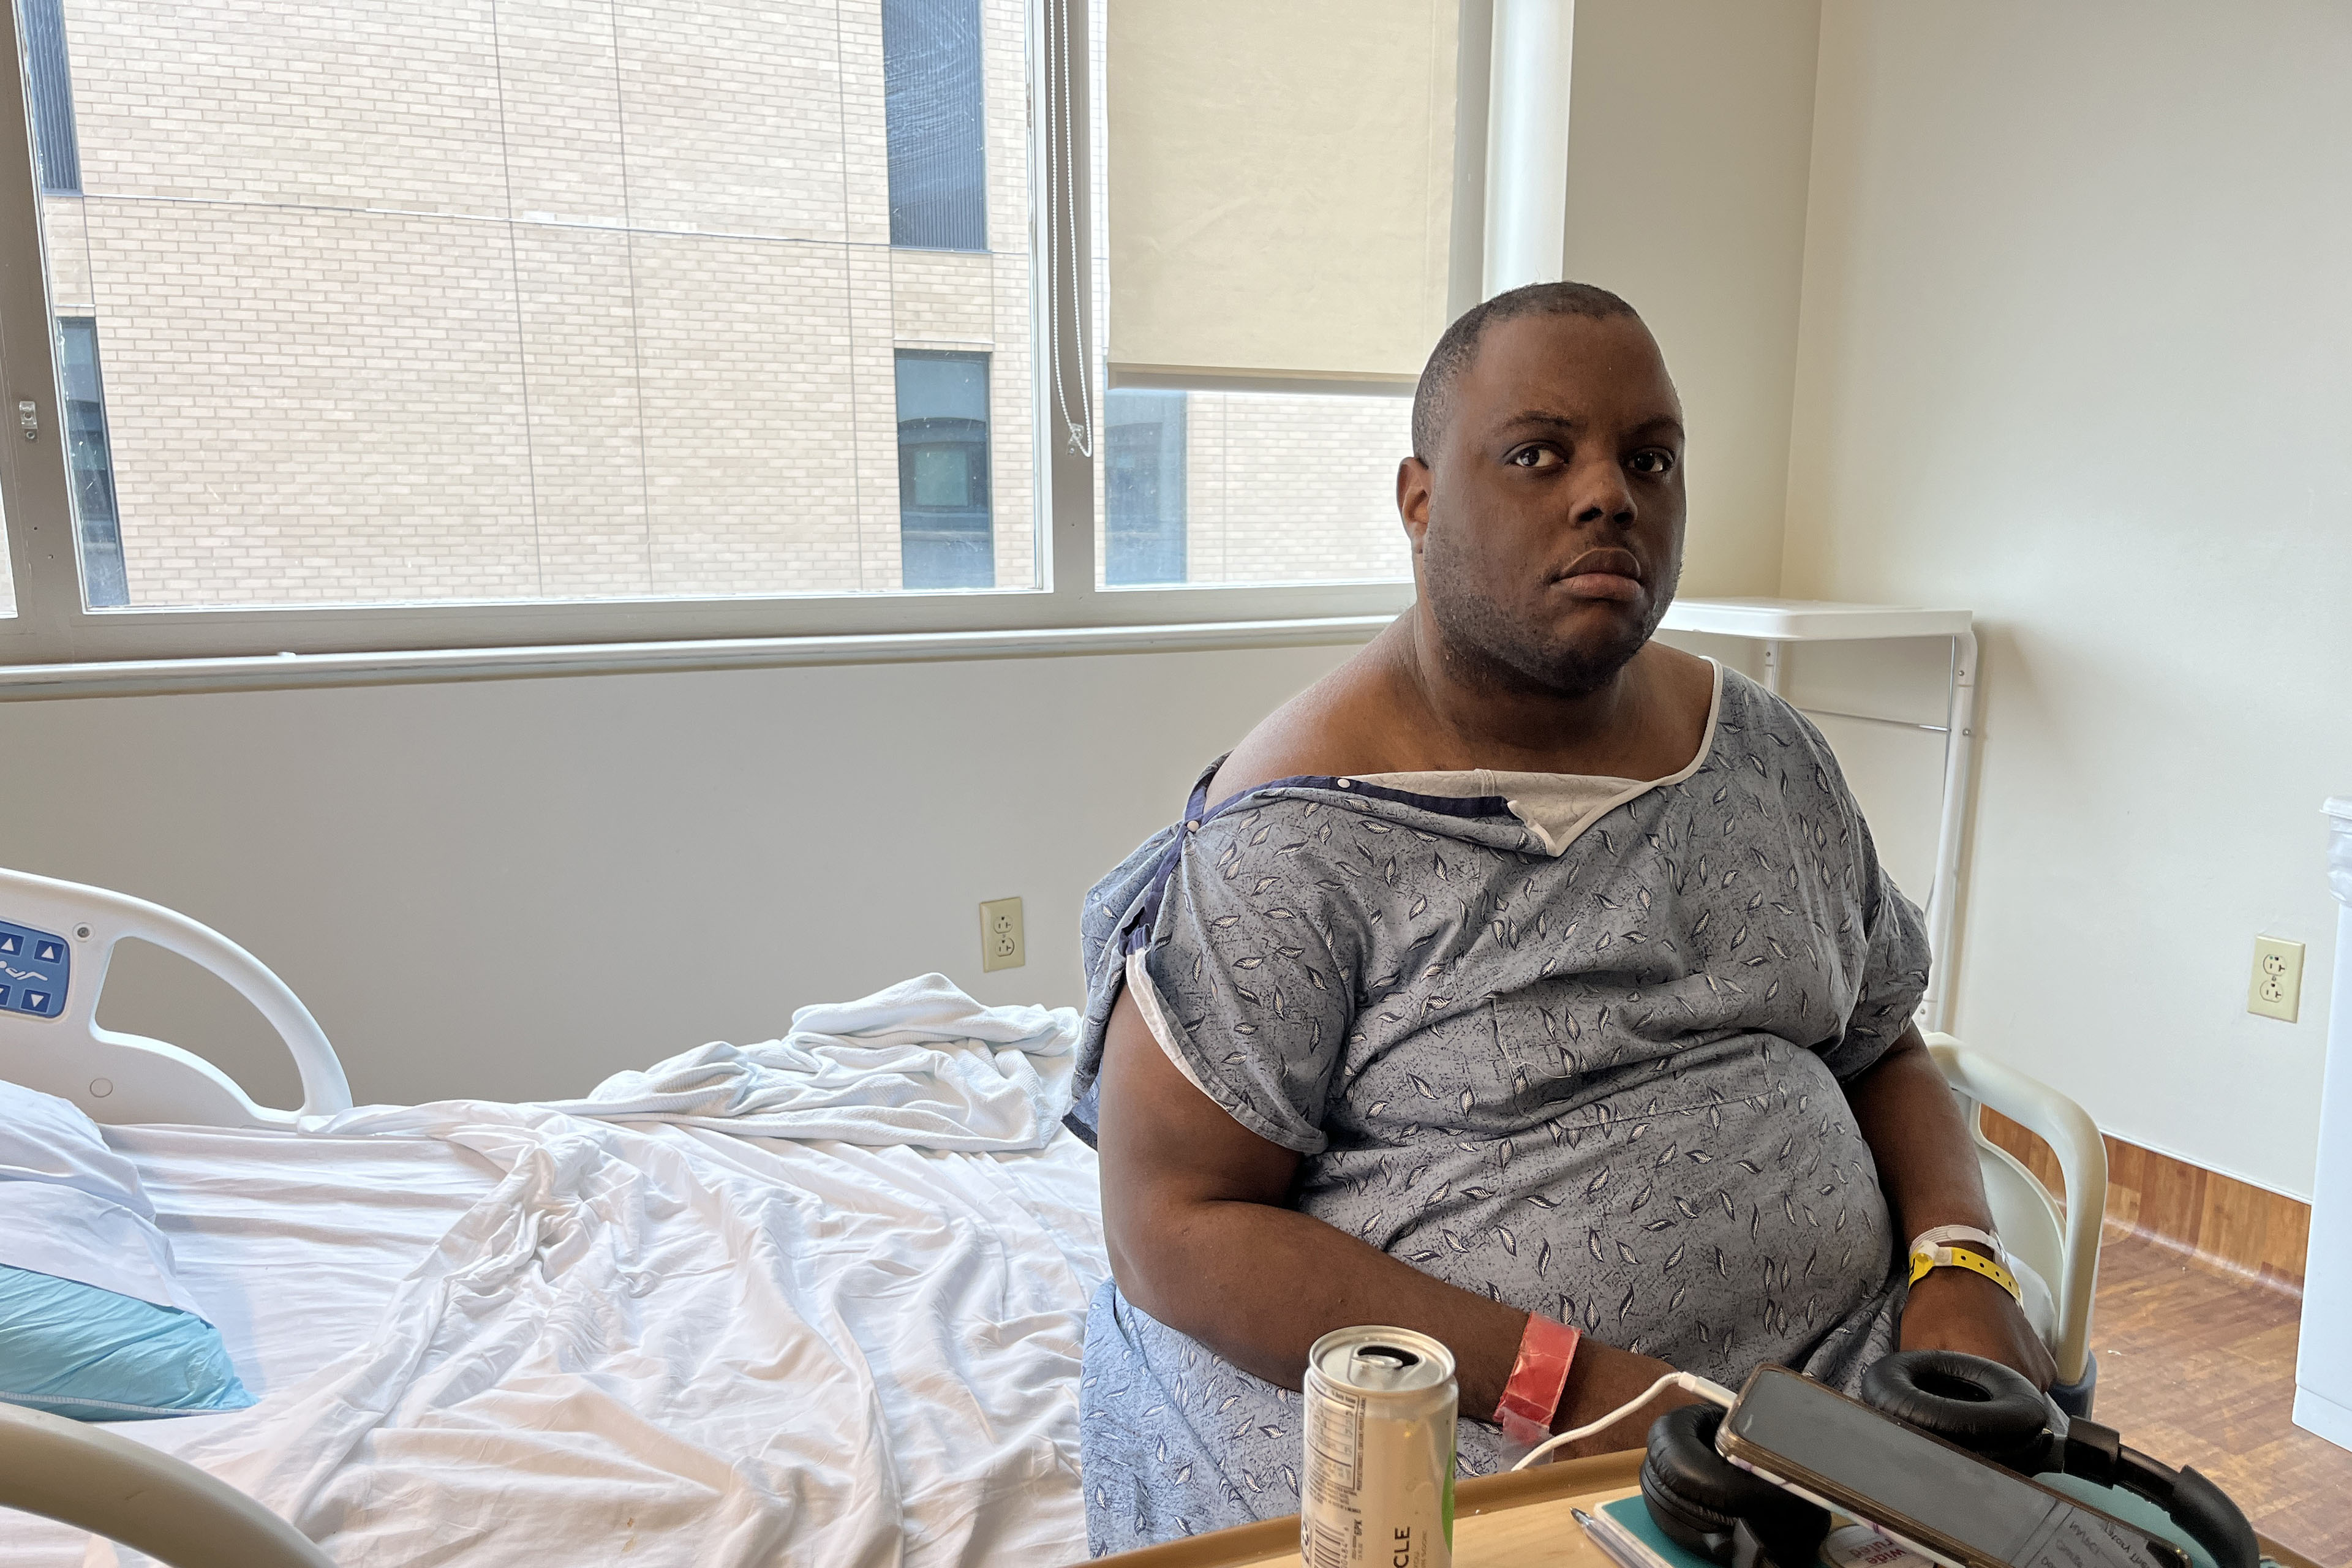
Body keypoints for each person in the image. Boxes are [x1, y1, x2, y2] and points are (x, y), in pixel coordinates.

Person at [1062, 282, 2054, 1554]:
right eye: (1540, 454)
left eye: (1650, 458)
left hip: (1846, 1385)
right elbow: (1172, 1228)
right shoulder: (1298, 832)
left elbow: (1883, 1043)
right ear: (1420, 501)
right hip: (1493, 1419)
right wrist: (1575, 1384)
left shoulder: (1765, 758)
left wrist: (1960, 1264)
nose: (1609, 495)